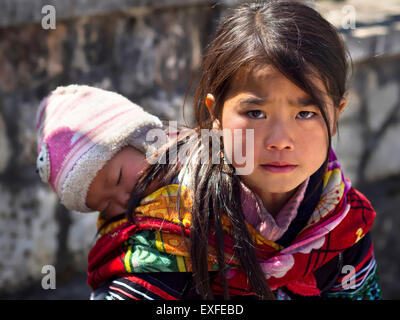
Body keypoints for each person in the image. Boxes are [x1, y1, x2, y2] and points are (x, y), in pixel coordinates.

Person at [41, 1, 383, 300]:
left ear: (335, 116)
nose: (280, 139)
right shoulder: (169, 224)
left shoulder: (342, 221)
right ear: (216, 115)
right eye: (255, 113)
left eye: (305, 114)